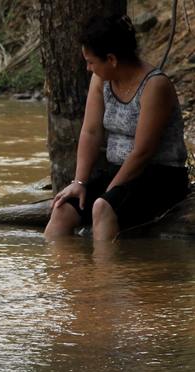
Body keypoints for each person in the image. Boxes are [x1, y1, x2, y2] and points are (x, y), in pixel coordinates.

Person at [45, 14, 189, 240]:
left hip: (160, 177)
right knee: (63, 208)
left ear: (111, 59)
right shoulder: (101, 80)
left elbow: (143, 152)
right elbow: (91, 132)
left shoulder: (154, 85)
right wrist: (79, 183)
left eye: (91, 61)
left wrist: (110, 193)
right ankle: (62, 274)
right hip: (120, 172)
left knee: (102, 207)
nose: (88, 68)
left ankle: (107, 273)